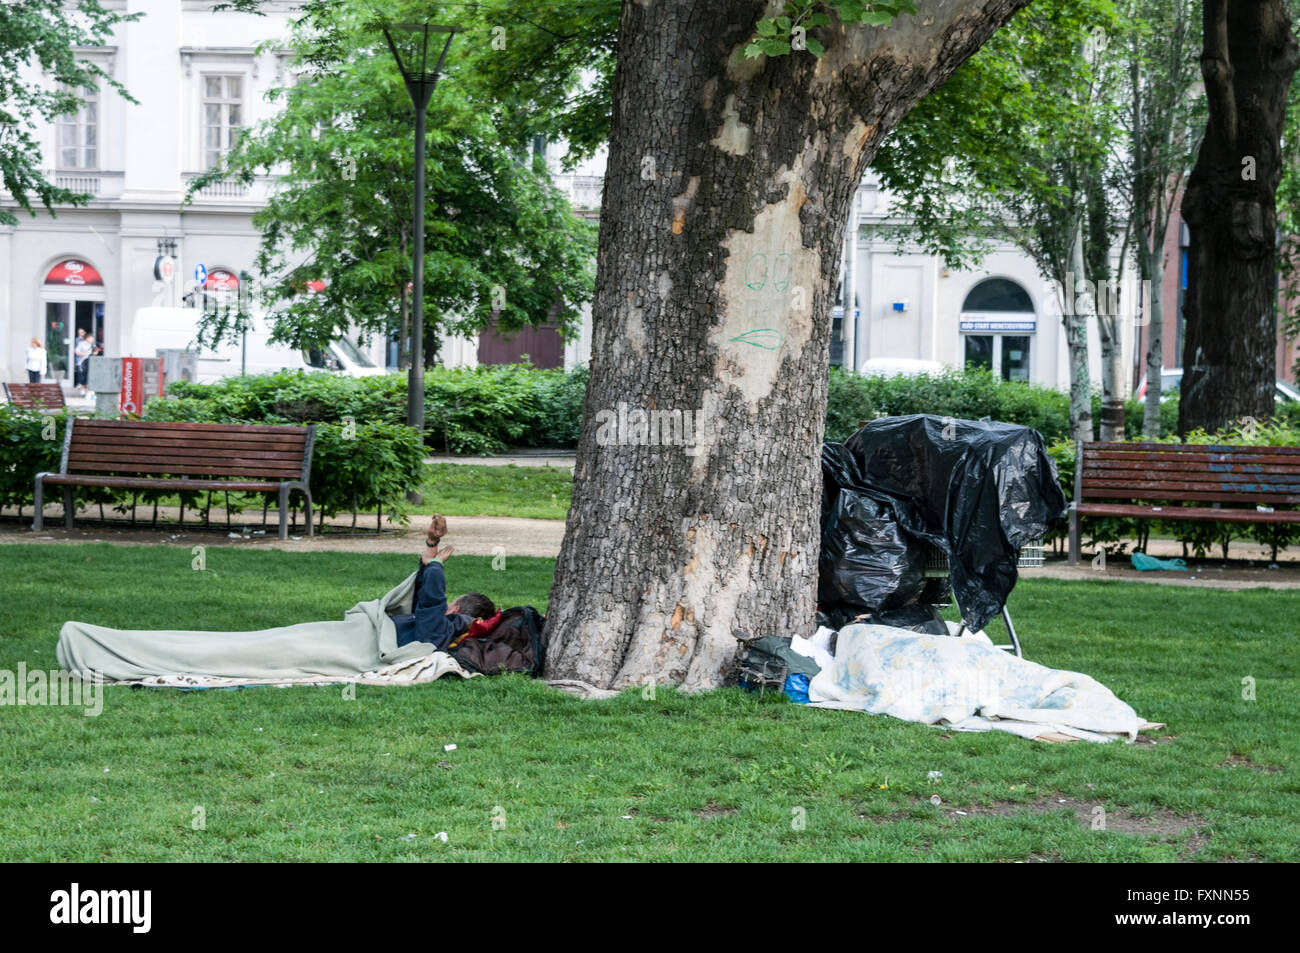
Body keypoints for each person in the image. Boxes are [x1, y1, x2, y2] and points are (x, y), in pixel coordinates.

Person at [390, 514, 496, 651]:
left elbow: (431, 600)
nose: (443, 607)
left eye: (449, 604)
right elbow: (422, 599)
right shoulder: (442, 632)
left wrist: (436, 565)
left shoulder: (438, 631)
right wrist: (432, 543)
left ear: (455, 609)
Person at [73, 329, 93, 394]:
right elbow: (76, 352)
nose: (92, 340)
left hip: (89, 363)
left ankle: (86, 391)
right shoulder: (81, 344)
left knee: (87, 377)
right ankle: (82, 389)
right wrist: (84, 354)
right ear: (87, 338)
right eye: (91, 338)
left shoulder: (93, 345)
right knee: (82, 377)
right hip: (81, 362)